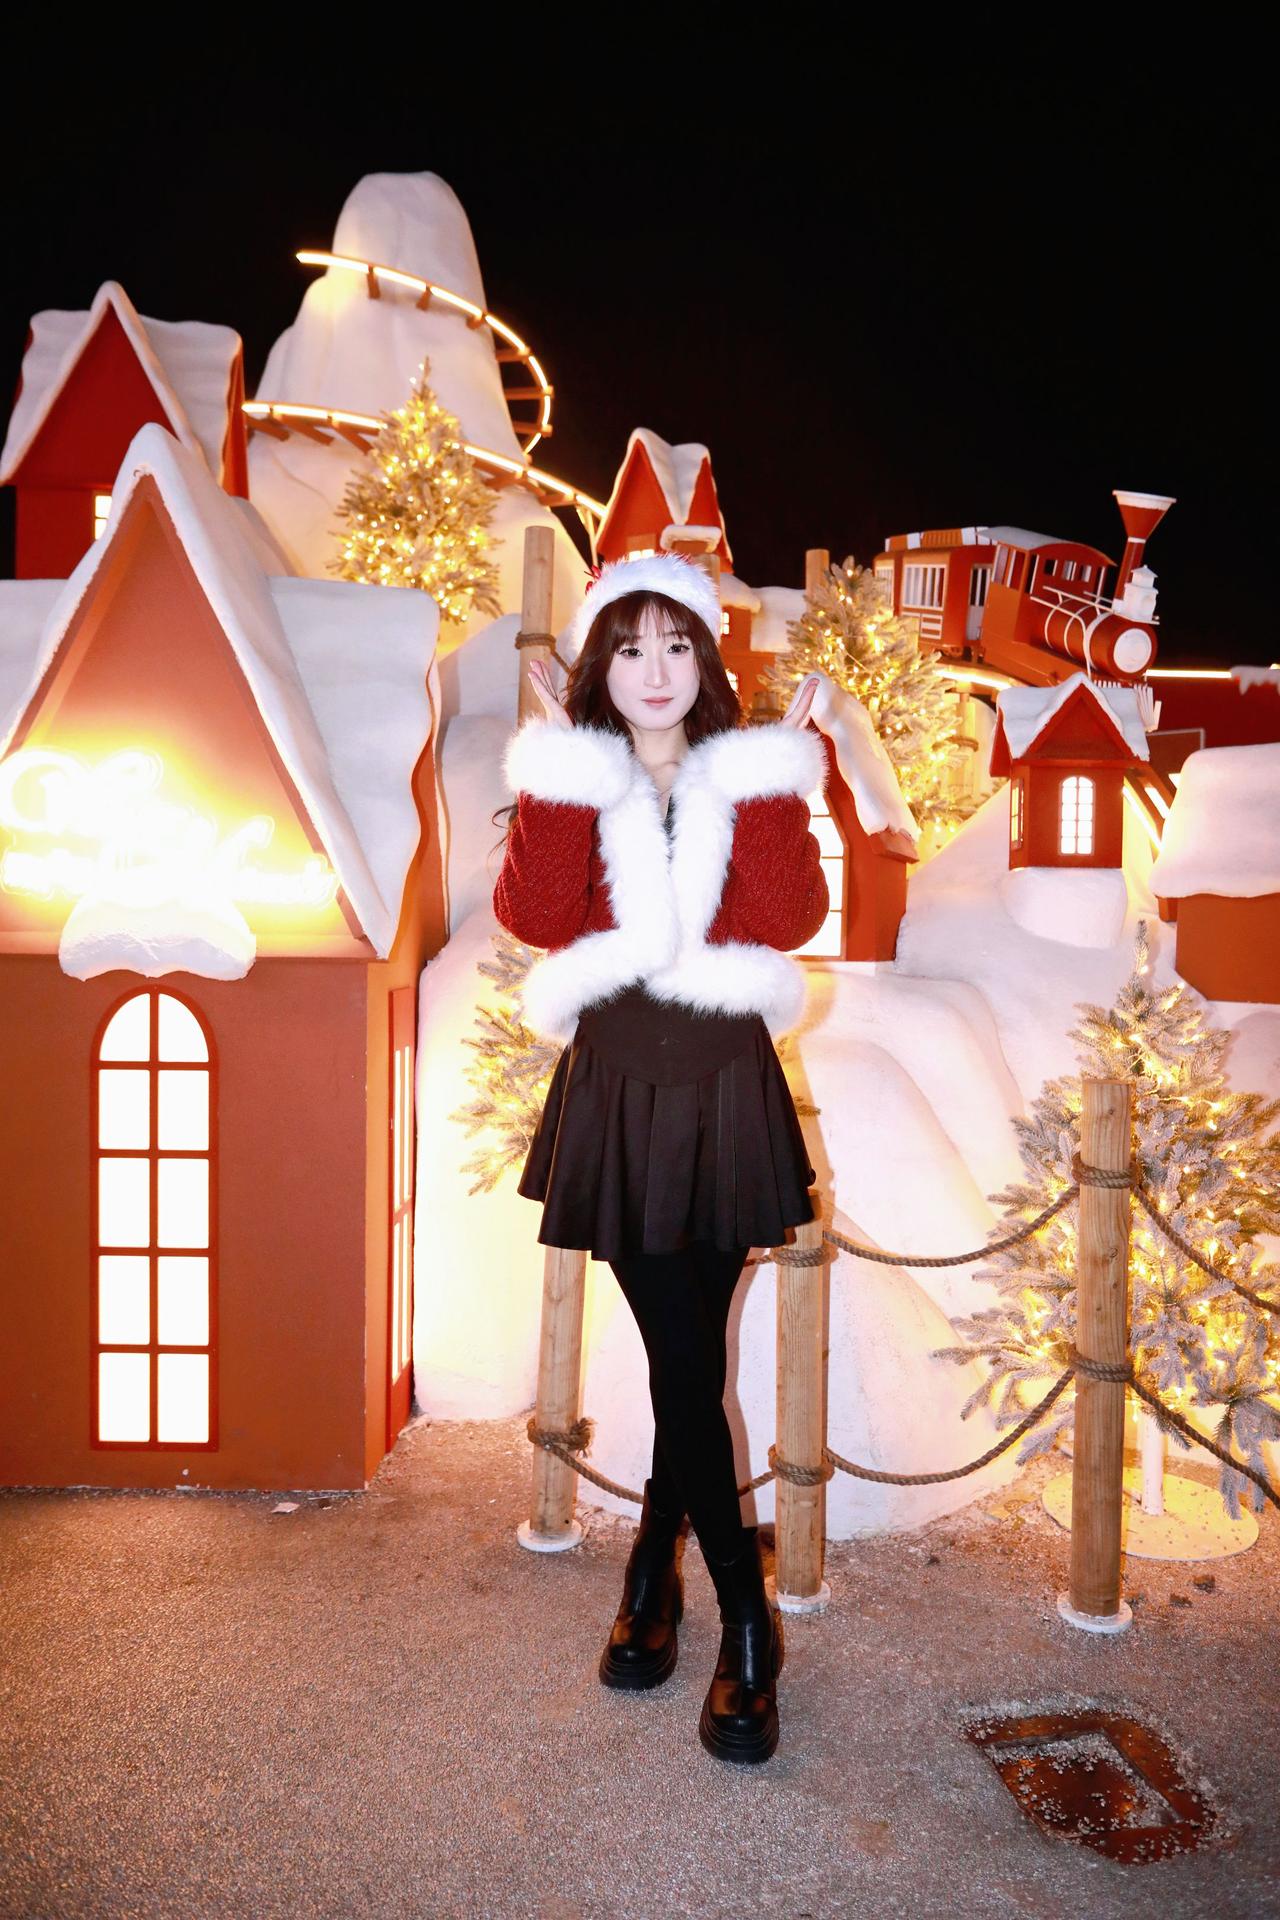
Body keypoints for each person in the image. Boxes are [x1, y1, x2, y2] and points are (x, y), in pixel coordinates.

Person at [492, 550, 828, 1766]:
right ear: (600, 663)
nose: (652, 670)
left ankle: (651, 1564)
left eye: (675, 643)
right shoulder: (580, 777)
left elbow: (787, 920)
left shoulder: (740, 773)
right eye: (628, 646)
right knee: (683, 1359)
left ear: (704, 660)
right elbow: (534, 917)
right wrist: (561, 772)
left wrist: (776, 779)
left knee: (689, 1361)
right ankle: (745, 1623)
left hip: (726, 1091)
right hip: (621, 1095)